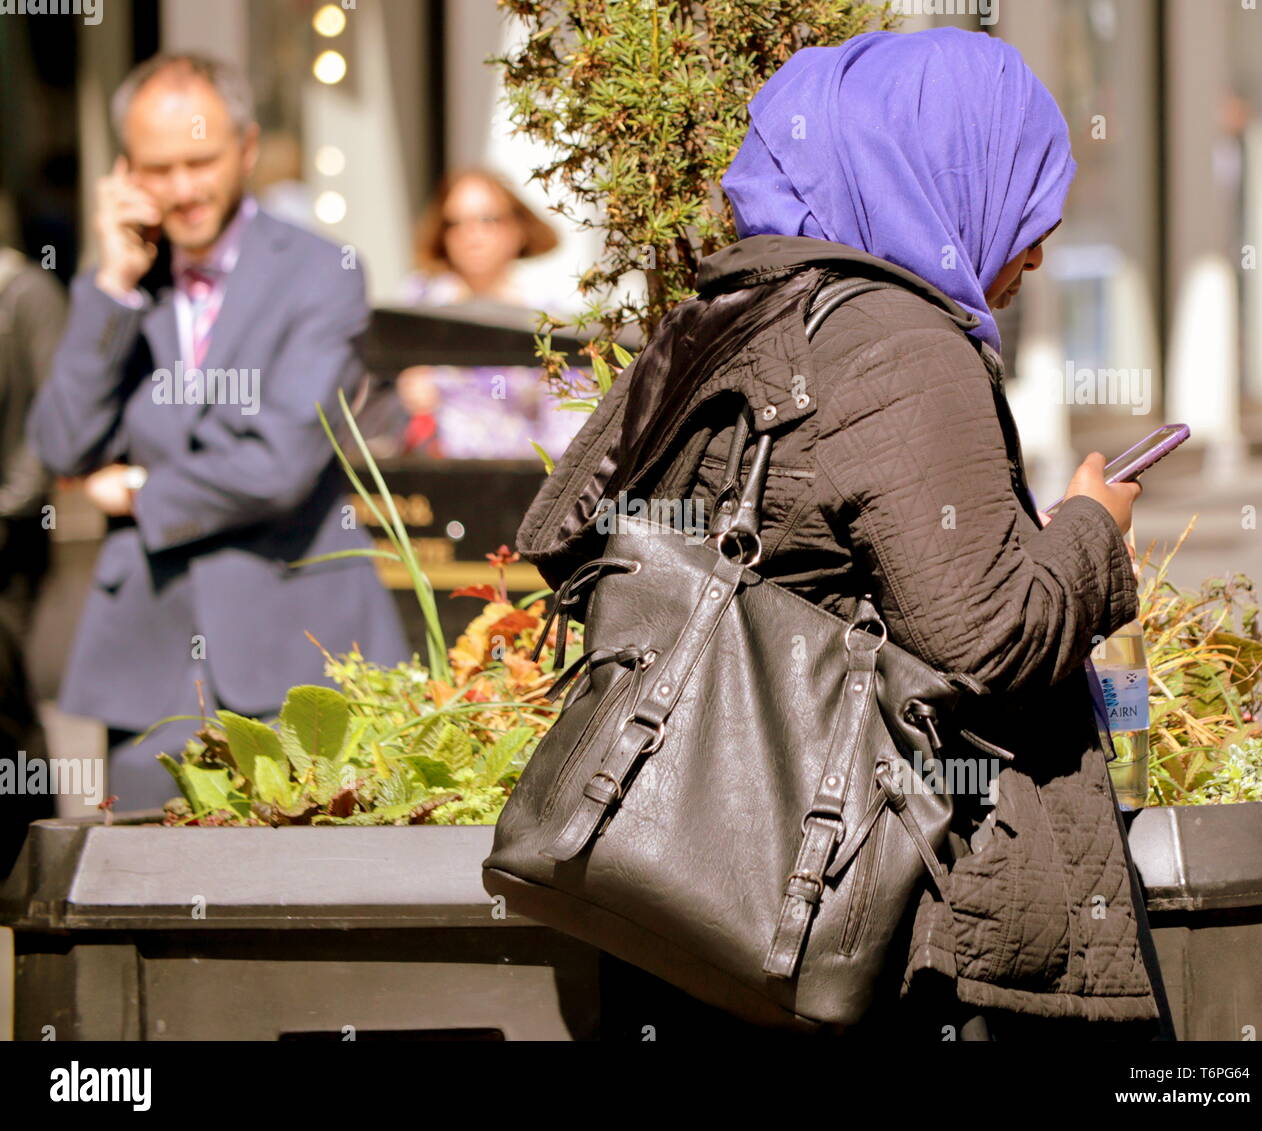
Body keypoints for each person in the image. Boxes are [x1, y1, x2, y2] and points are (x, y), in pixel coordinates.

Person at [514, 28, 1176, 1040]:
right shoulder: (902, 342)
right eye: (1022, 200)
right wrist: (1092, 530)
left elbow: (574, 530)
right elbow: (987, 635)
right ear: (942, 171)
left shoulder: (739, 308)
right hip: (859, 918)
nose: (1036, 247)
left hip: (683, 879)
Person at [26, 53, 408, 811]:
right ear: (128, 170)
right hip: (148, 659)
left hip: (301, 647)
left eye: (200, 160)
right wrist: (110, 286)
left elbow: (280, 463)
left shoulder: (320, 271)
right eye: (158, 167)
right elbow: (62, 445)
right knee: (136, 904)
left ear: (247, 147)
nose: (182, 189)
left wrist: (140, 489)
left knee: (310, 904)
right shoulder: (127, 282)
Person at [0, 239, 65, 873]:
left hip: (9, 541)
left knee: (9, 703)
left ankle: (25, 857)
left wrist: (10, 505)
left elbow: (50, 421)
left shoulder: (25, 292)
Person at [402, 167, 560, 310]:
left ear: (519, 229)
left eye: (487, 219)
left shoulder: (542, 307)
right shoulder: (421, 298)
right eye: (455, 223)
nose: (471, 234)